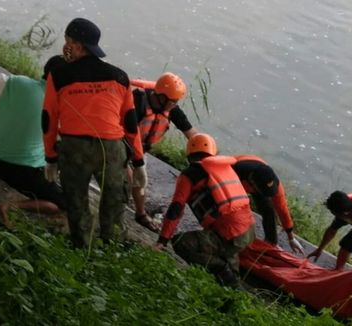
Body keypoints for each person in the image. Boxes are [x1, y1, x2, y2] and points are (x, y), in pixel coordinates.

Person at [42, 18, 143, 247]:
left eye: (67, 41)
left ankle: (81, 246)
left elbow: (49, 119)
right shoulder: (119, 76)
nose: (65, 46)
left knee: (76, 202)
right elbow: (130, 123)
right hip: (112, 149)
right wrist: (139, 161)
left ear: (77, 45)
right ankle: (112, 246)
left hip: (73, 147)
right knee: (115, 201)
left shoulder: (57, 75)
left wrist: (50, 157)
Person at [153, 133, 255, 288]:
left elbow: (176, 209)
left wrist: (162, 240)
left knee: (182, 243)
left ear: (189, 155)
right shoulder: (226, 167)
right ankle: (232, 290)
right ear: (213, 152)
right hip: (248, 231)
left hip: (228, 233)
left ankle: (220, 268)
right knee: (229, 269)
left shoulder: (189, 175)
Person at [0, 55, 67, 228]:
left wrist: (4, 110)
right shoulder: (60, 108)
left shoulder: (17, 82)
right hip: (21, 170)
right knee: (63, 204)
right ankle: (12, 206)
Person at [127, 73, 198, 231]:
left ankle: (140, 213)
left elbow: (191, 133)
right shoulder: (137, 101)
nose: (174, 105)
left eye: (176, 102)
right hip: (122, 143)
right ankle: (137, 211)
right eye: (172, 102)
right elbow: (128, 132)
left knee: (139, 181)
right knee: (132, 180)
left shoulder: (171, 108)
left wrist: (203, 151)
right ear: (159, 97)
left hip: (141, 150)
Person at [232, 154, 304, 254]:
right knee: (236, 210)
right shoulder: (234, 170)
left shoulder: (275, 185)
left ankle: (271, 243)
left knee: (268, 209)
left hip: (259, 183)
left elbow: (282, 210)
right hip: (238, 181)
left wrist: (291, 237)